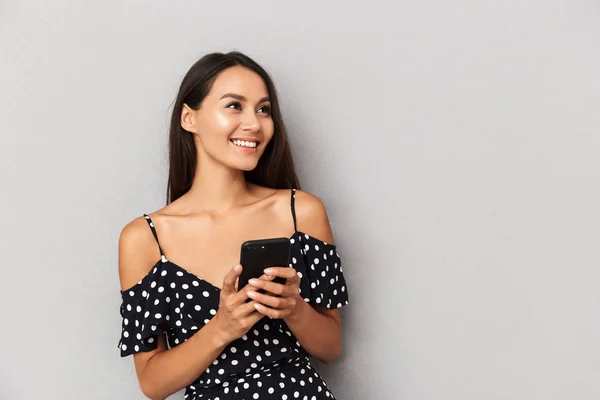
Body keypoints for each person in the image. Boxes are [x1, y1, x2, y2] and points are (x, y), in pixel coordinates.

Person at [117, 51, 349, 400]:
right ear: (189, 118)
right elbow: (152, 383)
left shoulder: (301, 211)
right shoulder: (146, 238)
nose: (254, 124)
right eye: (234, 106)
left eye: (263, 109)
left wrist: (294, 309)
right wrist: (222, 328)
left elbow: (331, 347)